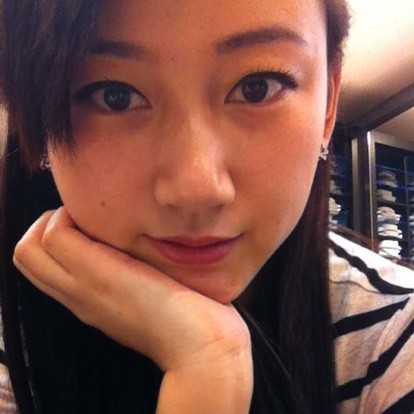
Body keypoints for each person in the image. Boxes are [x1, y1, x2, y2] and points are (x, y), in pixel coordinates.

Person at [0, 0, 413, 413]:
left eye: (257, 87)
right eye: (115, 96)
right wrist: (206, 373)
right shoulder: (11, 353)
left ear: (328, 104)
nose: (197, 188)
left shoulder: (396, 337)